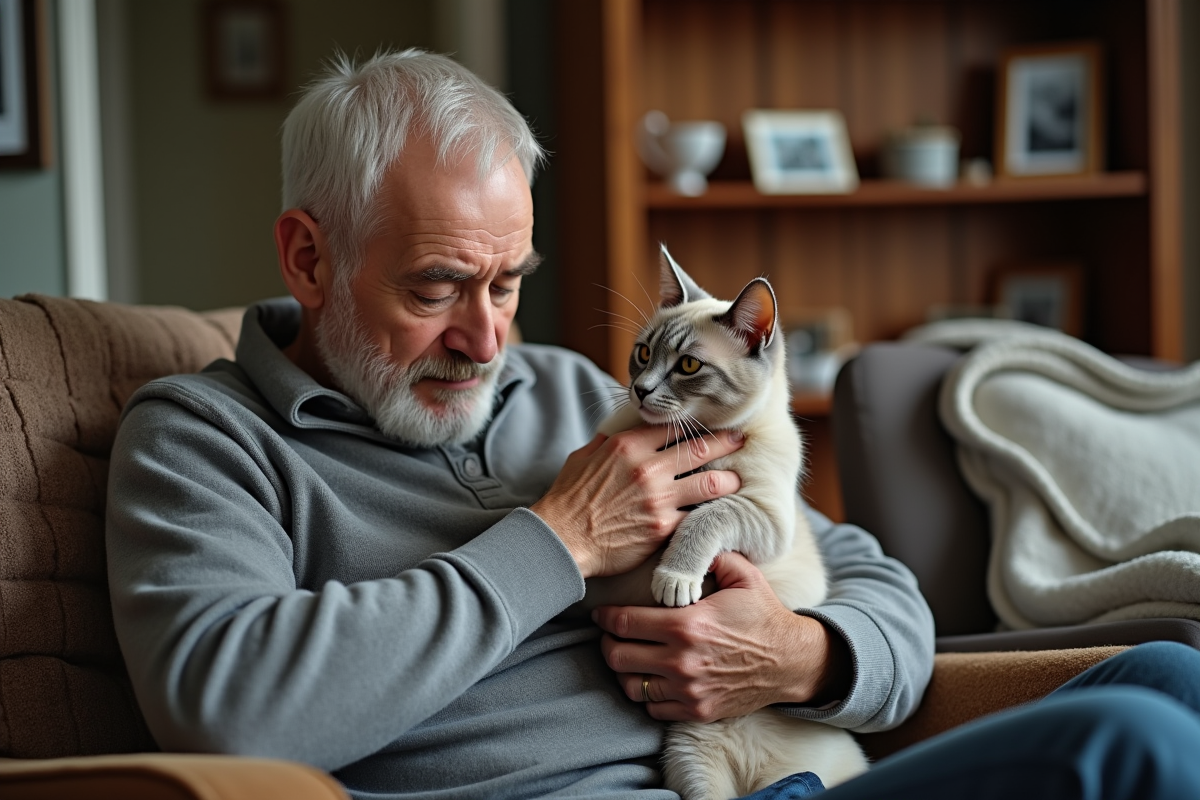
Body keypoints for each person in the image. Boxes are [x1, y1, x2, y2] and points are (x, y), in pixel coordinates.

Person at [105, 50, 1200, 800]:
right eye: (438, 287)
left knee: (1168, 674)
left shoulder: (580, 393)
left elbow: (869, 575)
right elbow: (232, 706)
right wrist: (558, 539)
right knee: (1134, 743)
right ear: (308, 256)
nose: (489, 342)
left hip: (764, 768)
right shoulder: (205, 439)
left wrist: (801, 654)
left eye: (510, 283)